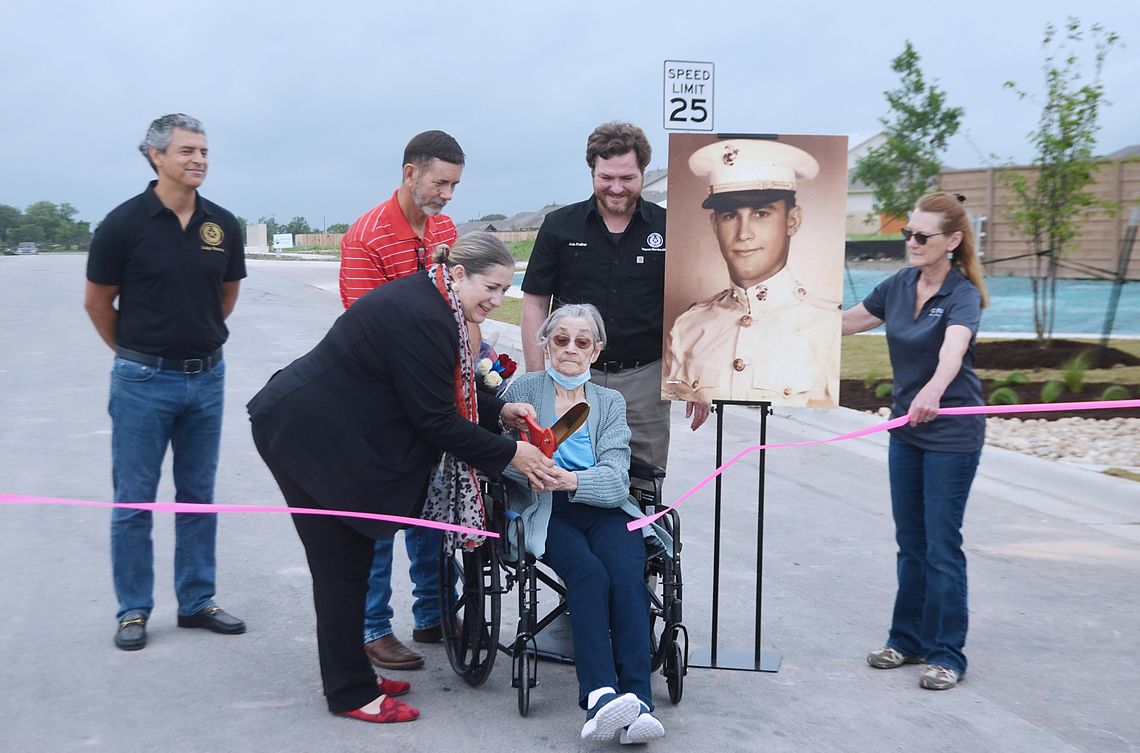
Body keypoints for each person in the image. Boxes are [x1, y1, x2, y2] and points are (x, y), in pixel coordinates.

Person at [248, 232, 556, 722]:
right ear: (458, 274)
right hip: (306, 435)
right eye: (492, 289)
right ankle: (349, 691)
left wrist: (499, 410)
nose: (498, 301)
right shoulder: (423, 316)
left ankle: (352, 672)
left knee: (350, 558)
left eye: (505, 292)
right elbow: (435, 420)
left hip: (332, 430)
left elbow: (451, 390)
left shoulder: (438, 304)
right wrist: (510, 454)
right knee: (341, 565)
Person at [84, 113, 247, 651]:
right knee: (134, 501)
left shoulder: (221, 225)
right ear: (156, 156)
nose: (198, 159)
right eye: (186, 151)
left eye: (203, 150)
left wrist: (195, 344)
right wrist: (137, 356)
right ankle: (133, 609)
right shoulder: (123, 224)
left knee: (197, 496)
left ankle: (197, 600)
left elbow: (225, 296)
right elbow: (98, 303)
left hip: (207, 380)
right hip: (142, 381)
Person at [841, 192, 989, 691]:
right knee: (911, 542)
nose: (912, 242)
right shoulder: (899, 285)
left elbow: (954, 350)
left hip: (952, 432)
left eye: (923, 236)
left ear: (952, 241)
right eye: (908, 233)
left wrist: (932, 391)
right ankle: (906, 640)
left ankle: (948, 654)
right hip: (906, 429)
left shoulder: (962, 294)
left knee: (942, 544)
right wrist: (777, 321)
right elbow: (845, 322)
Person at [503, 304, 667, 744]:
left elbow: (616, 480)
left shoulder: (609, 402)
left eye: (581, 341)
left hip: (603, 508)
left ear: (596, 351)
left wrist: (573, 479)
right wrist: (534, 473)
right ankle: (599, 695)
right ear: (547, 344)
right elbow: (499, 459)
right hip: (546, 509)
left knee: (628, 575)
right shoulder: (523, 393)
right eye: (560, 340)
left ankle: (638, 703)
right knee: (589, 575)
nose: (570, 349)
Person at [339, 130, 466, 671]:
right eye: (440, 182)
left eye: (455, 184)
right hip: (378, 397)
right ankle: (372, 627)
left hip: (432, 391)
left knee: (432, 509)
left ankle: (434, 613)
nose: (447, 195)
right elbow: (367, 329)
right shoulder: (366, 236)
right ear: (410, 172)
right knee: (378, 515)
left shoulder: (445, 229)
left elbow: (457, 308)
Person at [521, 121, 709, 472]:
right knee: (561, 476)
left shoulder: (670, 227)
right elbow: (534, 301)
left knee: (642, 484)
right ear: (592, 170)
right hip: (570, 377)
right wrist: (536, 378)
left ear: (643, 172)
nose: (617, 188)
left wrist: (697, 377)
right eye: (606, 177)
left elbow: (691, 307)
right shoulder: (559, 226)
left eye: (628, 178)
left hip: (645, 380)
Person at [662, 138, 840, 405]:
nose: (743, 234)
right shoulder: (687, 328)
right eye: (730, 215)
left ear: (792, 221)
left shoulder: (830, 327)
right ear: (715, 224)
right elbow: (675, 419)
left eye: (761, 214)